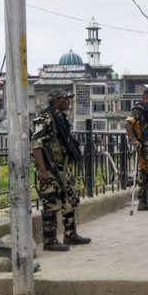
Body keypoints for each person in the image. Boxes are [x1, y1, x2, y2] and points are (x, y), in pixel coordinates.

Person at [31, 89, 91, 252]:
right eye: (65, 99)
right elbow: (36, 144)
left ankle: (70, 234)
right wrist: (42, 170)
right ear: (56, 100)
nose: (68, 102)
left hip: (64, 169)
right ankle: (49, 241)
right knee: (51, 203)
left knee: (69, 201)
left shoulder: (61, 117)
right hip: (50, 169)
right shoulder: (44, 117)